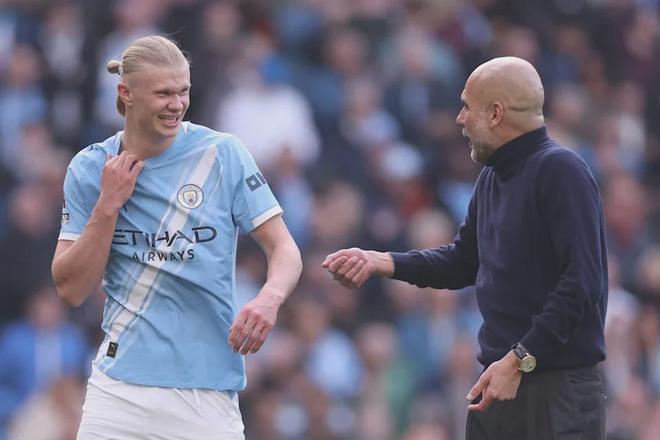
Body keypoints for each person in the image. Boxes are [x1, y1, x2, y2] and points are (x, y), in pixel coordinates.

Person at [323, 56, 608, 440]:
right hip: (500, 380)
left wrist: (520, 358)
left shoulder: (560, 171)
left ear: (495, 113)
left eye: (466, 107)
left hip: (555, 391)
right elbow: (463, 261)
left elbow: (582, 285)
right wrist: (384, 261)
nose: (459, 119)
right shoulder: (491, 177)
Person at [51, 35, 302, 439]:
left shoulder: (222, 154)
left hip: (205, 394)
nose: (177, 104)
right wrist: (108, 205)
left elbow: (284, 248)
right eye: (163, 93)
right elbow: (71, 288)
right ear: (126, 94)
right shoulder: (91, 167)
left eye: (183, 91)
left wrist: (269, 299)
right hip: (117, 392)